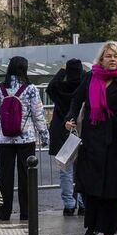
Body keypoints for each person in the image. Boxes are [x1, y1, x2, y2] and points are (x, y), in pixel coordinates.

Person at [69, 41, 117, 235]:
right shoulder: (90, 78)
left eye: (116, 56)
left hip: (115, 140)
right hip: (92, 138)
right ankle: (91, 226)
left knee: (112, 189)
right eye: (108, 56)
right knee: (91, 186)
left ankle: (109, 231)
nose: (112, 59)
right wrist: (69, 118)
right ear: (101, 59)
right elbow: (76, 100)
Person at [0, 55, 46, 223]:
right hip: (26, 138)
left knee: (5, 177)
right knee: (26, 176)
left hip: (4, 139)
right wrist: (44, 134)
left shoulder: (0, 88)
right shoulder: (31, 89)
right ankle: (26, 213)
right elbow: (38, 114)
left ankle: (4, 214)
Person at [46, 58, 85, 216]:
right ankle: (83, 203)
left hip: (61, 131)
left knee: (65, 170)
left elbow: (50, 86)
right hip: (80, 130)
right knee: (82, 170)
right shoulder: (83, 87)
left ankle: (69, 204)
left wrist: (62, 70)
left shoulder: (59, 87)